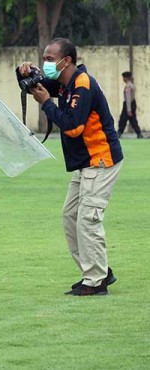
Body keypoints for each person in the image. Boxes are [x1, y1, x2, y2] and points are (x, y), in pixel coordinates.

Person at [18, 38, 122, 296]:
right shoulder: (65, 84)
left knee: (88, 219)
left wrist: (46, 104)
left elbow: (74, 127)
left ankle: (96, 281)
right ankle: (98, 271)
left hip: (101, 159)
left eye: (50, 59)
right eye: (44, 58)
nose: (45, 63)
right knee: (71, 217)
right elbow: (40, 84)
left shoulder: (82, 85)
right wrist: (25, 72)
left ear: (67, 61)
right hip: (86, 164)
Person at [118, 71, 143, 138]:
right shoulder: (131, 84)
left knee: (123, 119)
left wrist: (129, 110)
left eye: (123, 77)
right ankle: (139, 133)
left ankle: (119, 133)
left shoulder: (128, 86)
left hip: (128, 104)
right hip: (132, 104)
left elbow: (128, 98)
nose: (123, 79)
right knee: (133, 120)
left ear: (126, 78)